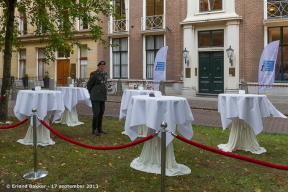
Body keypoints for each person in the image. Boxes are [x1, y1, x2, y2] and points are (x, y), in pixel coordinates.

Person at [87, 61, 108, 136]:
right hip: (96, 96)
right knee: (96, 113)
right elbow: (89, 85)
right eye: (101, 66)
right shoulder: (94, 74)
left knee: (101, 112)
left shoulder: (105, 74)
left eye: (104, 66)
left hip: (102, 96)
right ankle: (94, 129)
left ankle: (99, 128)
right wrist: (92, 93)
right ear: (98, 67)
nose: (102, 67)